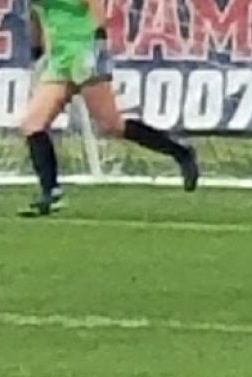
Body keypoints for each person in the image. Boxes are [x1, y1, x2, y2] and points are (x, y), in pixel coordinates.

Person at [21, 0, 200, 217]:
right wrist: (36, 46)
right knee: (32, 124)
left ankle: (181, 153)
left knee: (111, 124)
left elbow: (96, 6)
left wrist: (98, 42)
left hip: (85, 51)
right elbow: (35, 12)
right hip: (60, 58)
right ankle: (51, 192)